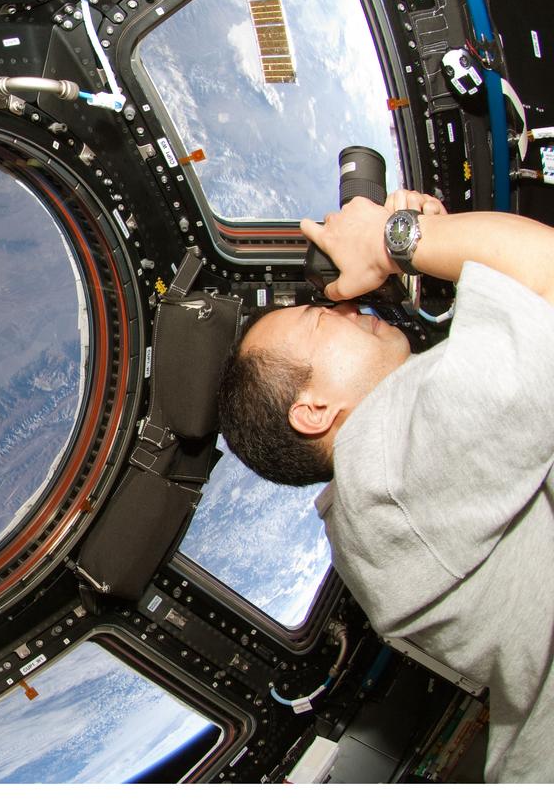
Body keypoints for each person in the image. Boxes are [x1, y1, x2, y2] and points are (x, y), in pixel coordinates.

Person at [217, 190, 554, 782]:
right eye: (322, 318)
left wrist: (435, 241)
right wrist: (393, 241)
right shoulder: (387, 471)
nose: (347, 306)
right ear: (314, 409)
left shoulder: (377, 505)